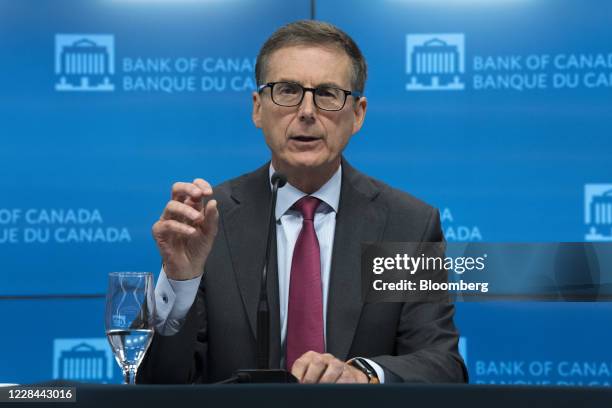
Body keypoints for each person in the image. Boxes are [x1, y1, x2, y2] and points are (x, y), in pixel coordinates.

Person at [137, 20, 467, 384]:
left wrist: (364, 377)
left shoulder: (404, 224)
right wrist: (180, 280)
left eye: (327, 93)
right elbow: (156, 384)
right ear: (257, 108)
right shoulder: (210, 220)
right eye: (288, 90)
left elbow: (442, 366)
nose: (307, 111)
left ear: (357, 114)